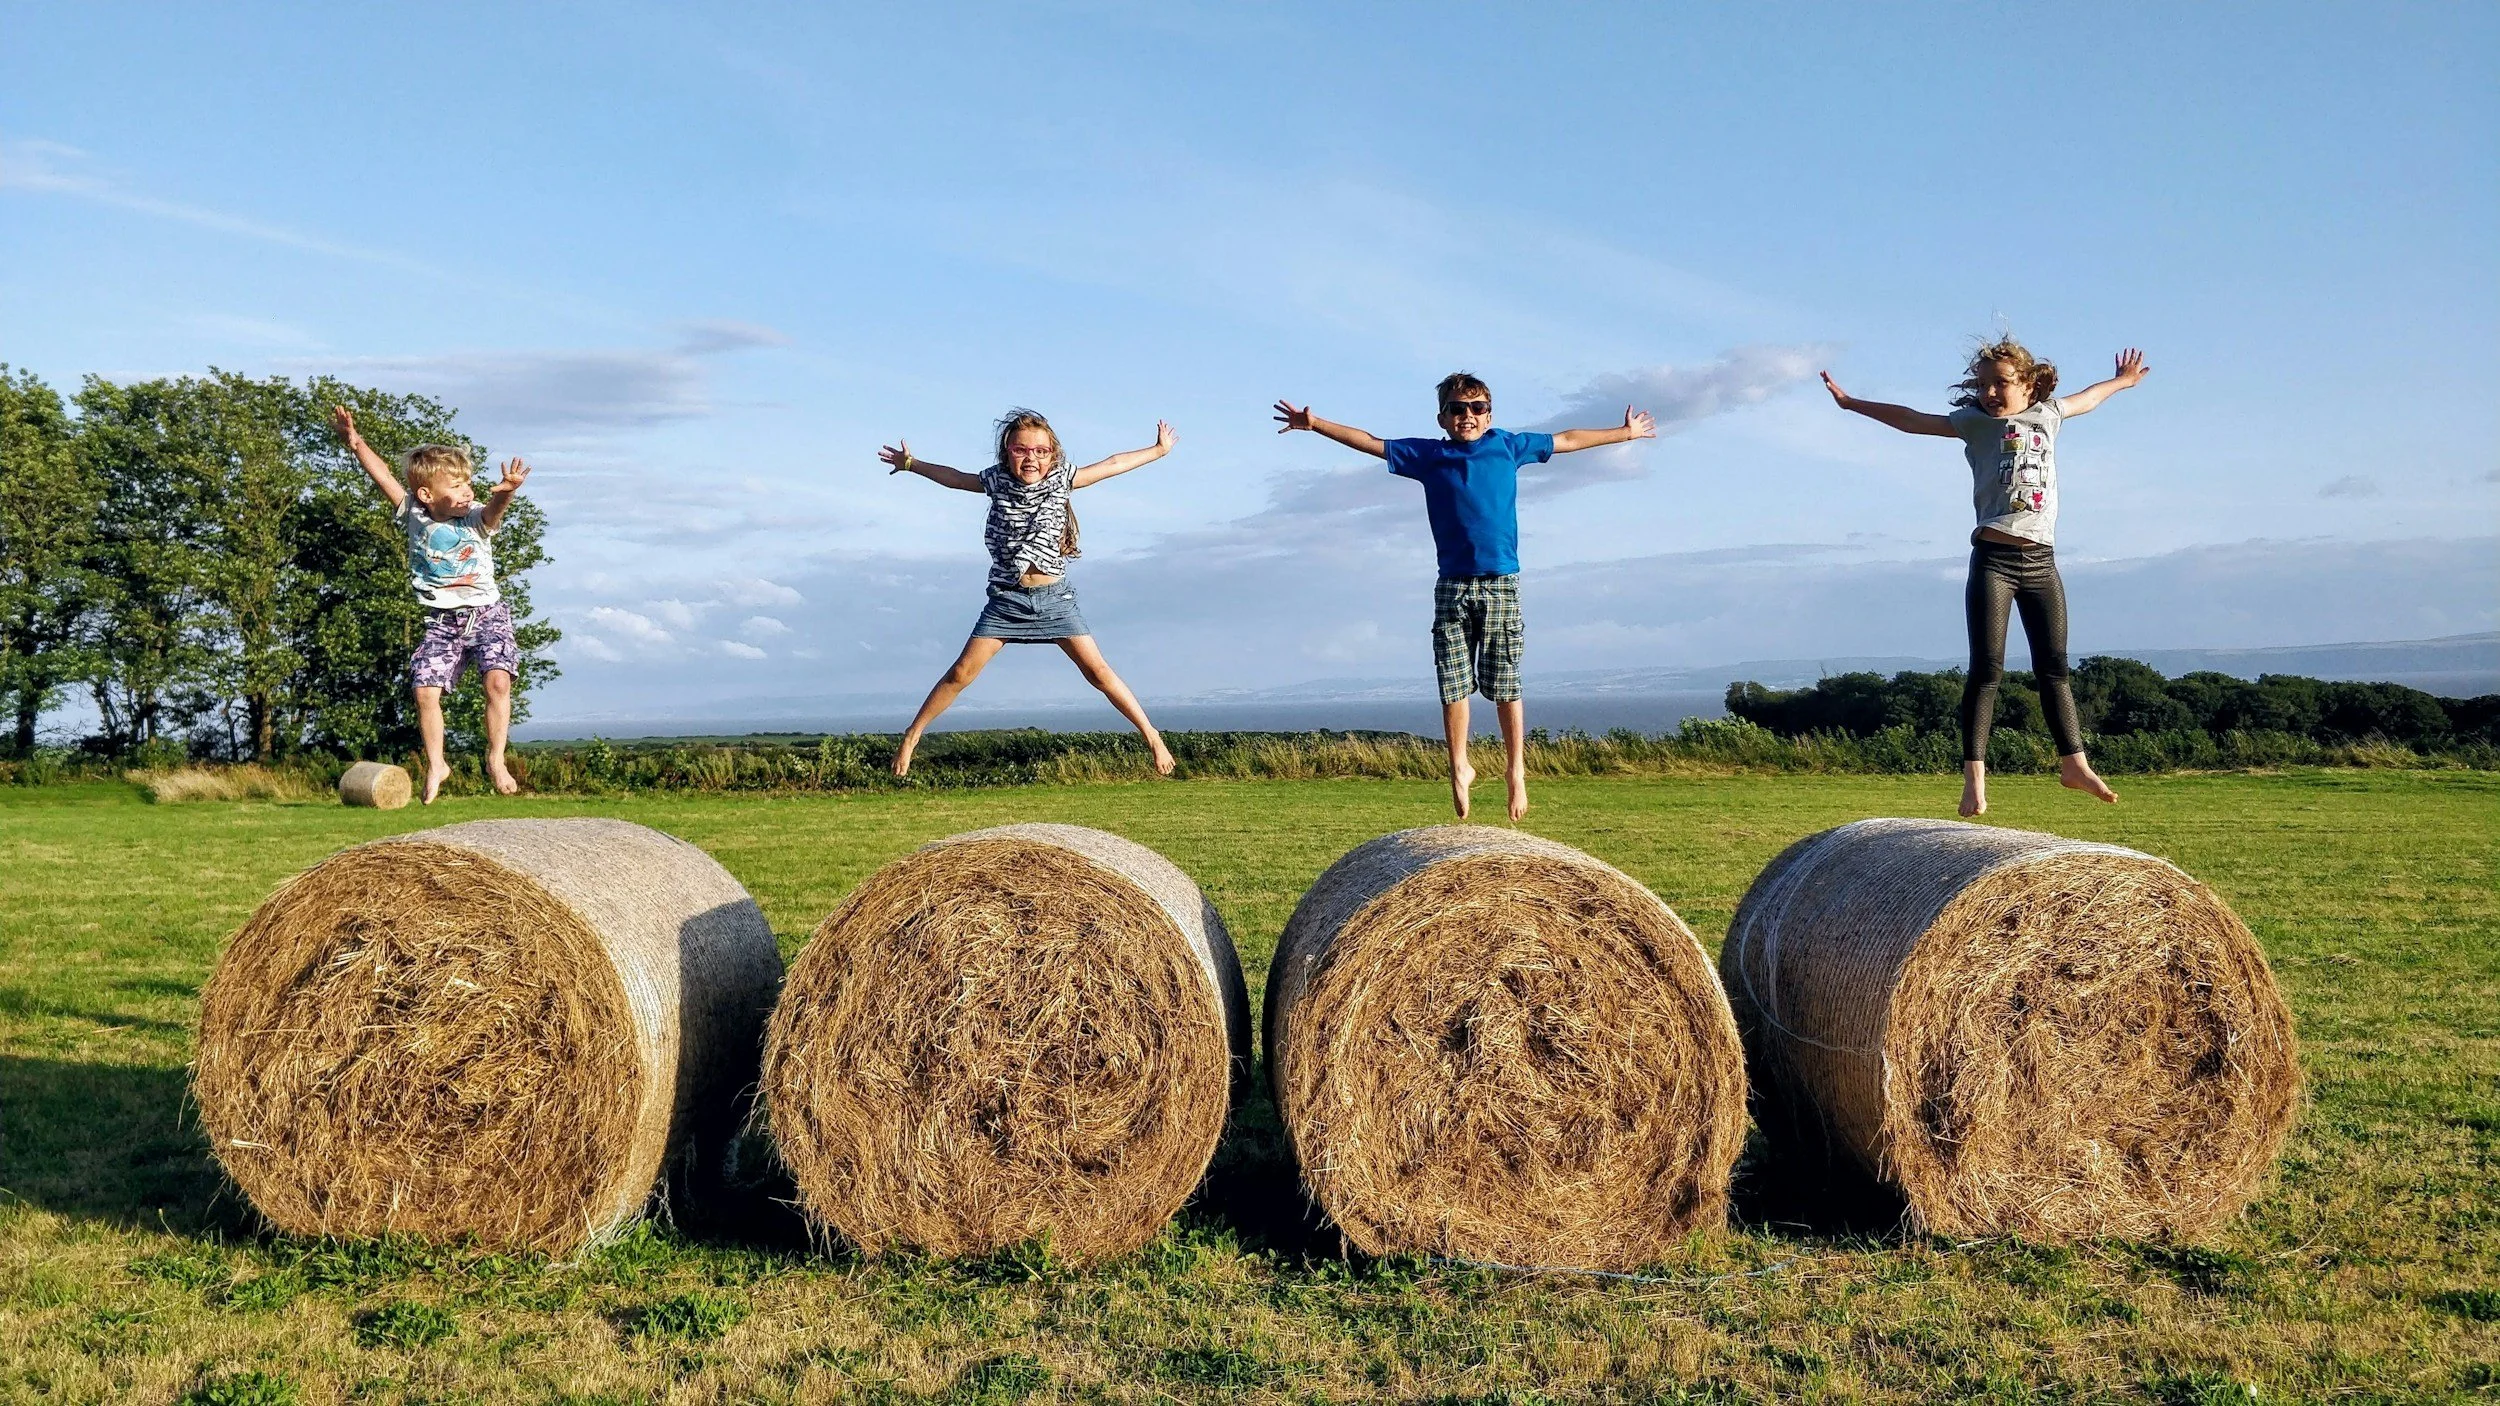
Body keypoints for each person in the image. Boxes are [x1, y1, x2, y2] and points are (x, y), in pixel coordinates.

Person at [1273, 374, 1655, 821]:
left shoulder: (1508, 446)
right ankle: (1459, 767)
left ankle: (1516, 772)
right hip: (1452, 586)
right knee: (1453, 684)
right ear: (1443, 417)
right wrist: (1314, 424)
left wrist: (1624, 433)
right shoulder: (1430, 455)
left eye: (1476, 408)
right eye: (1457, 409)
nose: (1467, 416)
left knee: (1505, 686)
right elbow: (1370, 441)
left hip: (1500, 583)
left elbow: (1568, 438)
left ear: (1489, 413)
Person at [1820, 338, 2149, 816]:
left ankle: (2074, 764)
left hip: (2041, 563)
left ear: (2029, 385)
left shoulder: (2049, 415)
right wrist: (1852, 404)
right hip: (1993, 560)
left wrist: (2122, 381)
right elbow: (1913, 420)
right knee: (1987, 670)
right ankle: (1974, 781)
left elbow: (2090, 397)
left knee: (2054, 669)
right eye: (1984, 383)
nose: (1991, 392)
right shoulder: (1972, 424)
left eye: (2002, 383)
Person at [880, 409, 1179, 778]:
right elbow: (956, 479)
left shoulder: (1062, 479)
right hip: (1007, 600)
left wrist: (1158, 451)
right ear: (1007, 452)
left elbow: (1114, 463)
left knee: (1099, 672)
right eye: (1022, 450)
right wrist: (912, 463)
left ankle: (1152, 736)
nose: (1031, 458)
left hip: (1055, 600)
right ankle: (912, 736)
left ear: (1053, 454)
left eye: (1040, 451)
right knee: (960, 673)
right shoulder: (996, 481)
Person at [331, 406, 530, 803]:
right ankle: (437, 763)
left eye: (468, 483)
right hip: (442, 621)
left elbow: (493, 511)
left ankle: (495, 758)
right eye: (456, 487)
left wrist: (506, 491)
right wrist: (355, 443)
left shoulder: (475, 518)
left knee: (498, 681)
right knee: (425, 691)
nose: (467, 492)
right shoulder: (414, 514)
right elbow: (384, 475)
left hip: (487, 613)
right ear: (427, 495)